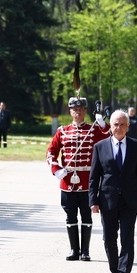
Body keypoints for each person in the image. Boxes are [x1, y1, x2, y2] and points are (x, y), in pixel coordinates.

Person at [89, 110, 137, 273]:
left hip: (130, 201)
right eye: (115, 124)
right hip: (107, 200)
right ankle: (114, 272)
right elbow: (94, 176)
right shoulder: (100, 147)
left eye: (123, 124)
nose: (119, 128)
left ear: (128, 127)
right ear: (110, 126)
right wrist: (93, 200)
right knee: (109, 239)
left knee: (127, 239)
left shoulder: (136, 147)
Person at [46, 96, 109, 261]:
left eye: (81, 109)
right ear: (70, 111)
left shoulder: (93, 130)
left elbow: (109, 137)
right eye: (75, 109)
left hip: (87, 180)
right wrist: (56, 169)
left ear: (86, 111)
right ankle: (74, 249)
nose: (78, 111)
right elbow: (51, 152)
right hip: (68, 181)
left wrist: (102, 123)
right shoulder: (63, 131)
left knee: (87, 215)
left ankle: (85, 251)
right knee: (70, 215)